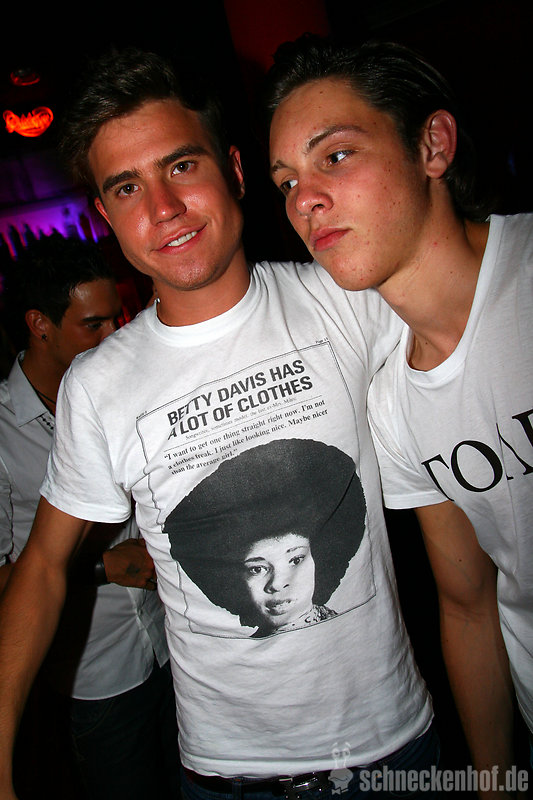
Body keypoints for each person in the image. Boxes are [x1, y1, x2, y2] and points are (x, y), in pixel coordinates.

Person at [0, 48, 439, 800]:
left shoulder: (346, 299)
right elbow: (41, 566)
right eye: (127, 187)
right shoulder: (96, 386)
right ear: (105, 215)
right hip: (225, 775)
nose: (163, 207)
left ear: (233, 170)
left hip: (393, 748)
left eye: (181, 166)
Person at [265, 34, 532, 792]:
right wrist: (493, 783)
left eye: (336, 155)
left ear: (432, 146)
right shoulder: (390, 401)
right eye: (286, 182)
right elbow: (468, 605)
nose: (304, 199)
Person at [0, 235, 179, 800]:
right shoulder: (2, 434)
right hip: (98, 677)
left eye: (116, 319)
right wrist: (102, 567)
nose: (113, 337)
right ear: (40, 324)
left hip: (176, 648)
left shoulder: (122, 389)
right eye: (93, 325)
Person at [165, 438, 364, 636]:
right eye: (257, 569)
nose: (277, 584)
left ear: (320, 560)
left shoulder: (353, 631)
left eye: (295, 560)